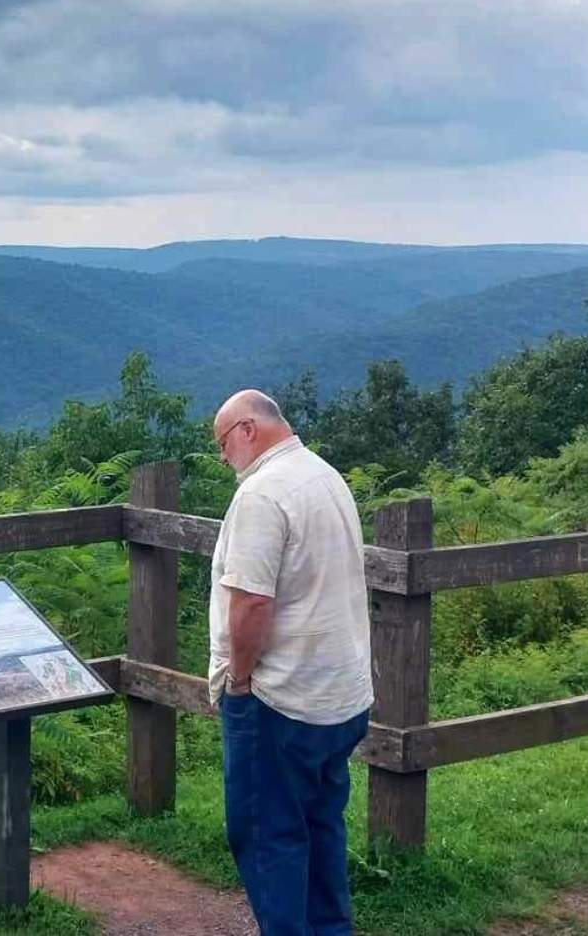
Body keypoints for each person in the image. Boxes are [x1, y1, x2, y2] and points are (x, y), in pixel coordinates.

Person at [208, 389, 373, 936]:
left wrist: (239, 681)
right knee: (321, 826)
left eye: (222, 444)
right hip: (340, 696)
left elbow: (252, 601)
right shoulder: (325, 476)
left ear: (247, 430)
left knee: (267, 835)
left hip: (280, 700)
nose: (223, 458)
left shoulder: (262, 494)